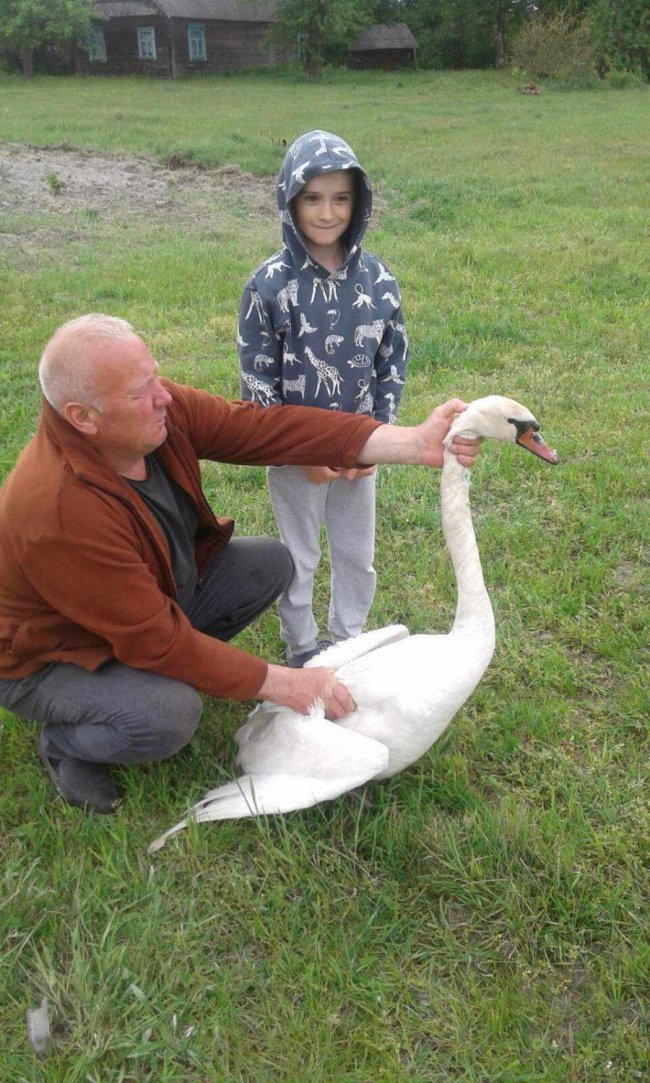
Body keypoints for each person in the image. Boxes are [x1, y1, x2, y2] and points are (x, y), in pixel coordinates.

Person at [0, 314, 480, 813]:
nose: (163, 395)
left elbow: (261, 429)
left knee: (265, 564)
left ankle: (162, 674)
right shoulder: (58, 511)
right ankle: (64, 742)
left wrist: (410, 443)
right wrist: (285, 682)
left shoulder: (153, 416)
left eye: (155, 377)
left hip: (140, 608)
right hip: (49, 658)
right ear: (84, 417)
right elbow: (155, 640)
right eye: (141, 392)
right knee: (167, 716)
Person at [238, 130, 409, 667]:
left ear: (358, 203)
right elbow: (257, 381)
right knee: (300, 557)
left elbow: (391, 361)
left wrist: (375, 441)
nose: (327, 212)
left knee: (357, 556)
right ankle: (302, 650)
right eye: (312, 198)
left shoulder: (378, 279)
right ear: (289, 201)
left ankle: (347, 642)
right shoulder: (267, 285)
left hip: (360, 451)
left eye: (341, 198)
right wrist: (298, 453)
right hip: (295, 456)